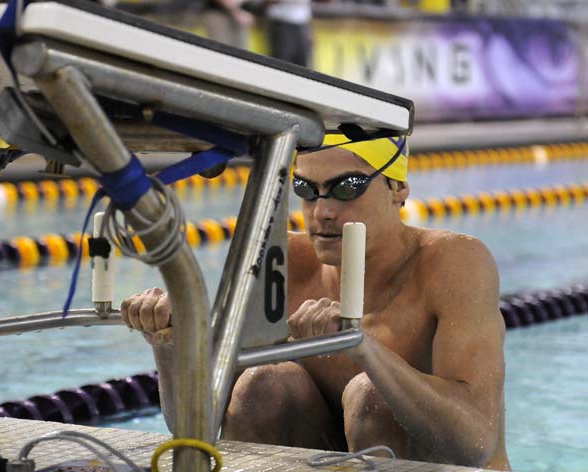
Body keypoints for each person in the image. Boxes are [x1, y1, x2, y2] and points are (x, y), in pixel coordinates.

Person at [121, 134, 511, 470]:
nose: (322, 211)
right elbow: (197, 429)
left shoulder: (453, 263)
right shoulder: (284, 261)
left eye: (348, 187)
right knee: (263, 384)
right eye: (306, 190)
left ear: (398, 187)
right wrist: (170, 348)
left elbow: (474, 445)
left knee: (372, 396)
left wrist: (365, 350)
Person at [265, 0, 313, 67]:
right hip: (282, 24)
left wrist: (309, 30)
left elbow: (306, 8)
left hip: (302, 25)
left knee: (303, 63)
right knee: (282, 62)